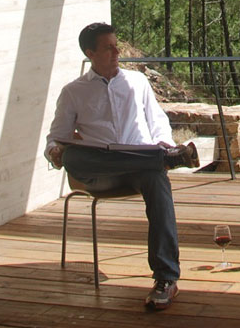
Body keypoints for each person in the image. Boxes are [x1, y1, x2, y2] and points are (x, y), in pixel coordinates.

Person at [44, 22, 198, 310]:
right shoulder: (73, 92)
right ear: (91, 53)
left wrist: (163, 143)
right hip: (100, 171)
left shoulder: (137, 83)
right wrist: (54, 151)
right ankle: (162, 160)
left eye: (117, 44)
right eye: (109, 47)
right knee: (72, 157)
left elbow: (157, 123)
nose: (117, 51)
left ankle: (166, 279)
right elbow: (57, 138)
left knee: (156, 180)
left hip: (139, 168)